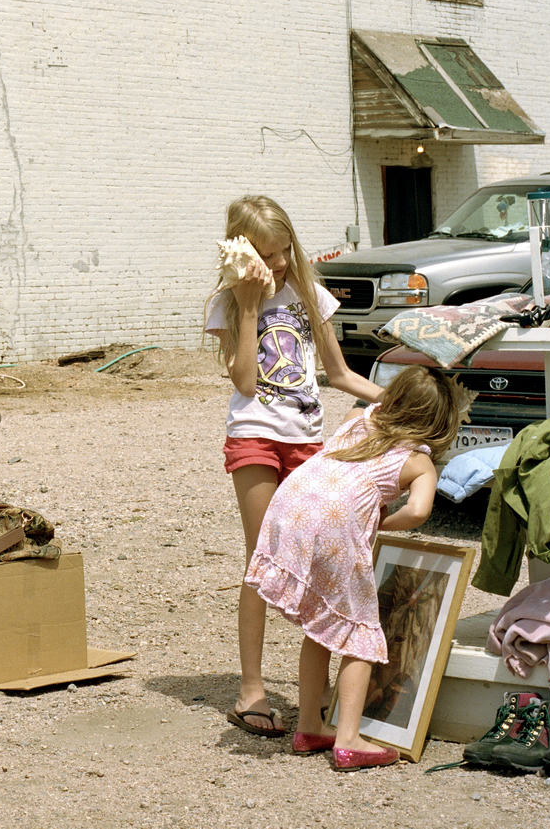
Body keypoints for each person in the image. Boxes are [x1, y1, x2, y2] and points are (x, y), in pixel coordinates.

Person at [205, 195, 383, 738]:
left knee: (334, 560)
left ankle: (324, 695)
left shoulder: (310, 295)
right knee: (262, 561)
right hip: (255, 438)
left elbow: (339, 373)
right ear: (244, 250)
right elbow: (243, 383)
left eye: (283, 251)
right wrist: (251, 303)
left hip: (309, 442)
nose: (277, 263)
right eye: (266, 253)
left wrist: (402, 403)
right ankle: (251, 689)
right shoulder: (227, 304)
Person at [245, 365, 471, 769]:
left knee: (321, 625)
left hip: (289, 508)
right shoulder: (418, 461)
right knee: (358, 635)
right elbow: (418, 511)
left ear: (394, 398)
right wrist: (383, 522)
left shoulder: (358, 418)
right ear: (440, 423)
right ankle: (348, 739)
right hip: (334, 527)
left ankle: (311, 724)